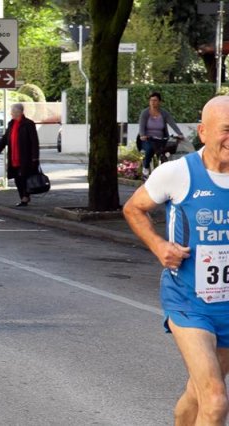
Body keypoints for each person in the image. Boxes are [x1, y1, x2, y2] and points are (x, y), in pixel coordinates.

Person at [123, 95, 229, 425]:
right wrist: (158, 246)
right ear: (203, 132)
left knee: (199, 396)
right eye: (227, 129)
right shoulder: (177, 173)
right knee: (215, 401)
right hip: (188, 303)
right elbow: (133, 208)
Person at [0, 103, 40, 207]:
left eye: (12, 111)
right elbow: (6, 138)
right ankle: (23, 197)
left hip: (25, 157)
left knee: (24, 177)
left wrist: (35, 157)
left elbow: (34, 142)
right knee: (17, 178)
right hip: (13, 157)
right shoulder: (11, 124)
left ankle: (25, 197)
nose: (11, 113)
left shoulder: (28, 124)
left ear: (18, 112)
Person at [138, 91, 184, 178]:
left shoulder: (164, 113)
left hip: (161, 139)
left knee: (167, 152)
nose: (152, 102)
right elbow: (141, 126)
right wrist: (142, 135)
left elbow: (172, 123)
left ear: (159, 102)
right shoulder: (145, 113)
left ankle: (165, 173)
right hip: (147, 139)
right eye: (151, 100)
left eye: (155, 100)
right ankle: (146, 168)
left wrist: (180, 134)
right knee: (150, 149)